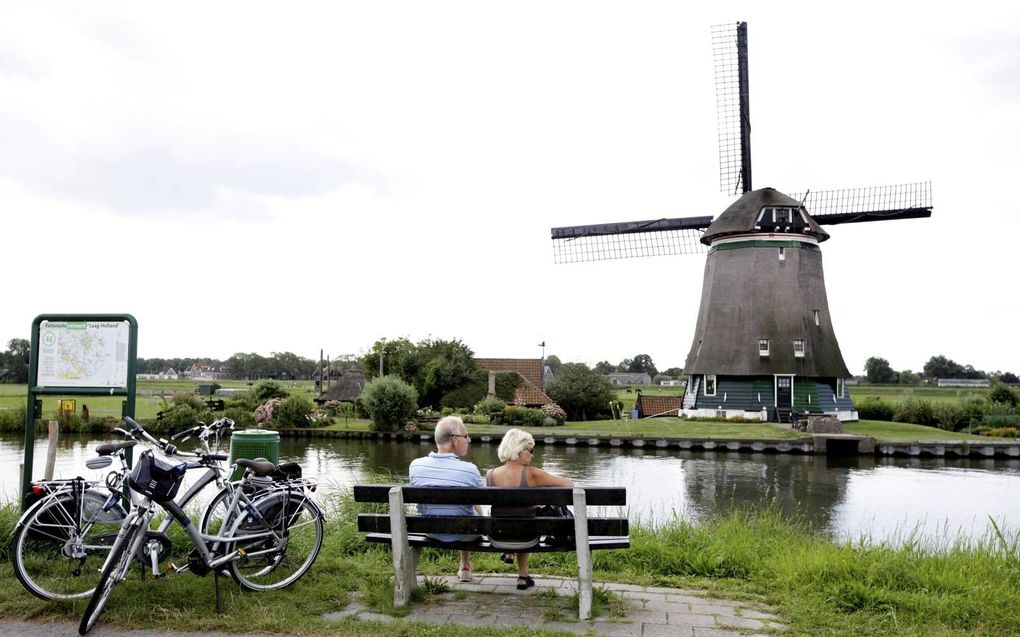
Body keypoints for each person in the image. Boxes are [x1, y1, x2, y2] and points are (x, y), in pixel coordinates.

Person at [486, 428, 573, 590]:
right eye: (530, 451)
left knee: (517, 517)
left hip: (498, 537)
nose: (532, 455)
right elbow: (568, 484)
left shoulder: (490, 474)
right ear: (519, 452)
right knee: (525, 521)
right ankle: (523, 577)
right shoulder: (532, 474)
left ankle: (513, 559)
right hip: (526, 537)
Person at [408, 415, 483, 582]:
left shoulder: (415, 465)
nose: (469, 440)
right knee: (470, 513)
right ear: (454, 440)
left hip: (431, 530)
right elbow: (478, 502)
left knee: (462, 510)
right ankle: (465, 565)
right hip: (464, 534)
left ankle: (464, 566)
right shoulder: (470, 470)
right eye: (466, 436)